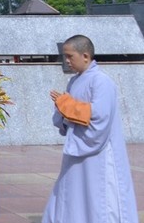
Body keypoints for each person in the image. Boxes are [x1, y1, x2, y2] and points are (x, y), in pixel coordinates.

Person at [43, 35, 137, 223]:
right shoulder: (74, 81)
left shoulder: (102, 82)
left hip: (98, 154)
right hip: (76, 149)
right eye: (65, 56)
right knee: (73, 194)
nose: (67, 61)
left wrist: (67, 105)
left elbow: (99, 117)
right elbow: (66, 115)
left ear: (85, 56)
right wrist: (62, 108)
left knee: (98, 197)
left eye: (70, 56)